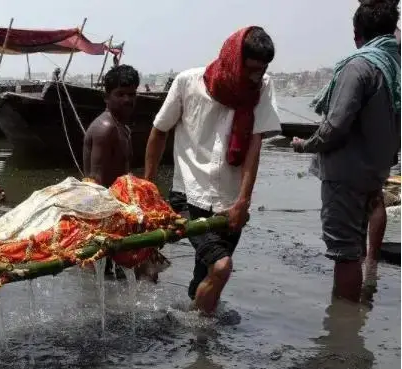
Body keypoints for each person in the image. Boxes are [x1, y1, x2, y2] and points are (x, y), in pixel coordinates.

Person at [144, 26, 282, 315]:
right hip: (188, 196)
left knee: (205, 277)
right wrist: (148, 187)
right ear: (234, 60)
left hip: (229, 203)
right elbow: (159, 131)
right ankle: (197, 329)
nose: (256, 76)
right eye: (251, 69)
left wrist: (242, 202)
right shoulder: (187, 82)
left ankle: (199, 351)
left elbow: (254, 146)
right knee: (221, 267)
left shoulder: (262, 87)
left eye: (262, 69)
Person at [291, 0, 400, 302]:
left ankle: (343, 333)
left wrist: (306, 146)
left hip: (346, 176)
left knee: (345, 254)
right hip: (373, 173)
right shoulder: (394, 66)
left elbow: (335, 127)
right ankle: (361, 303)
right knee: (354, 249)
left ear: (357, 34)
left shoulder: (359, 66)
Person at [82, 64, 139, 188]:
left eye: (131, 94)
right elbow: (95, 183)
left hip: (121, 198)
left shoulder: (123, 128)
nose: (127, 100)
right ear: (106, 97)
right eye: (120, 94)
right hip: (106, 201)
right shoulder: (106, 129)